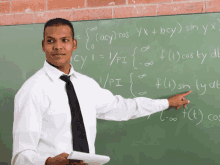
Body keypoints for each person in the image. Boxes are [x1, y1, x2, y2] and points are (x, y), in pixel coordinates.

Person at [11, 18, 191, 165]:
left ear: (74, 44)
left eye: (64, 40)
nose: (58, 47)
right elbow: (20, 156)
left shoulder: (86, 85)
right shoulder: (32, 90)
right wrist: (49, 162)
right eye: (51, 41)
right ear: (43, 46)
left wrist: (167, 102)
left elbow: (123, 108)